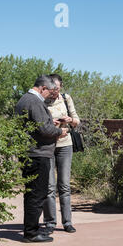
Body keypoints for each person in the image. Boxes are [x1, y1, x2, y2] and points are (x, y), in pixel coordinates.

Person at [15, 75, 68, 243]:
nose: (51, 95)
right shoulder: (35, 101)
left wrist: (49, 121)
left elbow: (37, 124)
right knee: (37, 194)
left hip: (31, 153)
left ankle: (32, 229)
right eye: (50, 92)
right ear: (43, 88)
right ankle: (31, 233)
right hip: (37, 154)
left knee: (33, 194)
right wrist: (60, 132)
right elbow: (43, 130)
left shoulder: (24, 99)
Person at [43, 74, 80, 234]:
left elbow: (77, 121)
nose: (55, 92)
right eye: (53, 89)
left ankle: (67, 222)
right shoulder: (42, 100)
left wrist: (69, 120)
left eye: (57, 88)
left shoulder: (66, 98)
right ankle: (50, 223)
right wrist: (52, 123)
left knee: (64, 185)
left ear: (61, 87)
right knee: (49, 186)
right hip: (48, 145)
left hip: (65, 145)